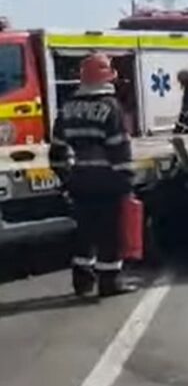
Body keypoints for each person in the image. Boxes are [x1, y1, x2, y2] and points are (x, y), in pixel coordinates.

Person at [49, 53, 139, 297]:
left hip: (79, 181)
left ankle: (82, 281)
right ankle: (109, 282)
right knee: (110, 235)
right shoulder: (111, 107)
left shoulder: (67, 107)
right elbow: (120, 147)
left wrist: (67, 178)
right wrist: (126, 183)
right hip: (108, 182)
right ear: (107, 77)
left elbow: (57, 150)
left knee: (85, 233)